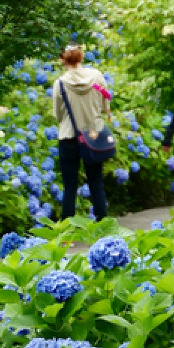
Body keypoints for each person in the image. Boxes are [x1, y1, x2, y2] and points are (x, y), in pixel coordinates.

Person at [52, 45, 111, 220]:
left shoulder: (60, 83)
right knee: (96, 182)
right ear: (82, 57)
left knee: (69, 186)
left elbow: (58, 115)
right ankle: (103, 226)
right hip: (93, 136)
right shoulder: (97, 77)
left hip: (69, 137)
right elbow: (104, 106)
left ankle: (67, 232)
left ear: (63, 60)